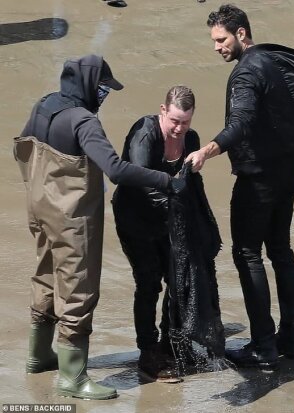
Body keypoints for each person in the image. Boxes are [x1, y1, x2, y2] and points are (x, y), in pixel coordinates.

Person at [14, 54, 183, 400]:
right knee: (79, 289)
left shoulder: (44, 105)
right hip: (72, 218)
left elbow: (22, 149)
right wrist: (166, 181)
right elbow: (116, 170)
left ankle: (38, 355)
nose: (105, 94)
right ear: (91, 85)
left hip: (39, 208)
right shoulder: (84, 121)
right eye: (104, 87)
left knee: (45, 275)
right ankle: (73, 377)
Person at [186, 5, 294, 370]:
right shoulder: (285, 60)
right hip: (288, 173)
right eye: (214, 40)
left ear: (242, 34)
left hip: (257, 180)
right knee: (281, 250)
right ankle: (292, 336)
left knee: (247, 253)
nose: (217, 47)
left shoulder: (245, 74)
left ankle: (262, 344)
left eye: (221, 39)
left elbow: (240, 122)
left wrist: (208, 150)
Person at [112, 86, 200, 382]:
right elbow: (139, 181)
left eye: (185, 122)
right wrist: (174, 203)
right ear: (163, 111)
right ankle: (148, 352)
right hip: (134, 218)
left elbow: (190, 186)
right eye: (174, 120)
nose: (179, 128)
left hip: (167, 222)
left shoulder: (192, 140)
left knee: (179, 282)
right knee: (149, 283)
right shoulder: (144, 133)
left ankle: (169, 343)